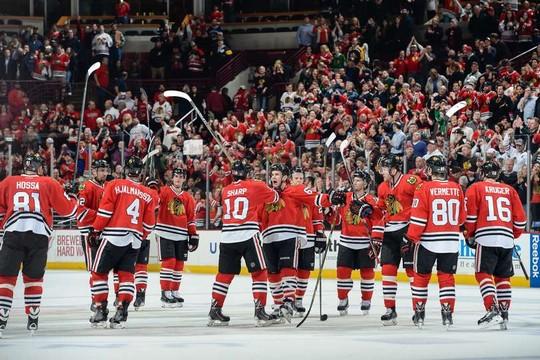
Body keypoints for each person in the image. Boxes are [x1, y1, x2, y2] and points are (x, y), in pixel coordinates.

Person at [0, 154, 77, 336]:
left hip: (13, 234)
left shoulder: (9, 181)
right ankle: (33, 317)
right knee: (33, 278)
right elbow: (68, 211)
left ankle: (2, 316)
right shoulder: (48, 182)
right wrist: (72, 196)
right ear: (40, 168)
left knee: (6, 278)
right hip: (39, 236)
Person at [261, 164, 344, 322]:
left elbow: (315, 198)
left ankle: (289, 301)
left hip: (289, 234)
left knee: (288, 268)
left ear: (285, 177)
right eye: (272, 174)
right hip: (268, 236)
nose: (273, 177)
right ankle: (279, 306)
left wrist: (330, 198)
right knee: (272, 273)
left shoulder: (294, 190)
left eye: (277, 174)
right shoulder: (268, 193)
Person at [208, 161, 280, 327]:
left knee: (224, 275)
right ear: (248, 173)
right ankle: (260, 311)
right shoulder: (255, 185)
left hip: (227, 236)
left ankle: (214, 310)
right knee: (259, 273)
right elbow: (275, 197)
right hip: (248, 234)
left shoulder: (225, 190)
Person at [90, 156, 158, 329]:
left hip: (113, 236)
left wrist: (96, 230)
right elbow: (149, 223)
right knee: (126, 275)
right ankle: (122, 310)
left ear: (127, 171)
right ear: (140, 173)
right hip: (134, 240)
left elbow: (105, 212)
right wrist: (140, 235)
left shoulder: (114, 185)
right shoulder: (148, 193)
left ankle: (100, 310)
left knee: (98, 273)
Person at [464, 161, 527, 329]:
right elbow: (521, 220)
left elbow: (470, 217)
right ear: (498, 175)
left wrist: (470, 234)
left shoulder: (476, 188)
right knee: (502, 277)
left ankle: (492, 310)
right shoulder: (510, 190)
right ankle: (504, 313)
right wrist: (512, 235)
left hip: (486, 236)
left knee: (483, 274)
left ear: (483, 174)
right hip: (506, 239)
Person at [405, 156, 466, 328]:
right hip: (451, 241)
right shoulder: (457, 188)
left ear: (430, 170)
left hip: (428, 242)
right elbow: (462, 220)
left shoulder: (424, 187)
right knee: (446, 277)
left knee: (421, 276)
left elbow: (418, 219)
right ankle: (447, 315)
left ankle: (419, 313)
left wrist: (410, 237)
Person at [376, 154, 423, 325]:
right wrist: (365, 208)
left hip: (408, 230)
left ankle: (418, 308)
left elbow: (423, 203)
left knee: (411, 271)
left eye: (384, 168)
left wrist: (415, 231)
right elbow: (380, 209)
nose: (381, 171)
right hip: (389, 232)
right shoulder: (382, 187)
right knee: (387, 270)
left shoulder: (411, 181)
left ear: (394, 169)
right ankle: (390, 309)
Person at [335, 170, 384, 316]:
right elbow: (336, 219)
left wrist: (376, 240)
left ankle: (366, 300)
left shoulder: (372, 200)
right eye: (354, 180)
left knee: (367, 273)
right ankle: (343, 299)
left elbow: (379, 220)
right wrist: (332, 207)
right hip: (346, 241)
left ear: (366, 183)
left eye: (358, 180)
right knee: (342, 271)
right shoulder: (345, 197)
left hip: (365, 242)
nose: (355, 182)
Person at [155, 168, 198, 308]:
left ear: (184, 179)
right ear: (172, 178)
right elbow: (154, 202)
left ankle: (174, 290)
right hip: (165, 232)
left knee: (179, 263)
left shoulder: (188, 197)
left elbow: (191, 218)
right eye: (176, 176)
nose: (178, 179)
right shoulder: (164, 191)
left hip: (181, 234)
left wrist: (193, 234)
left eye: (181, 176)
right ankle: (165, 292)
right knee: (169, 262)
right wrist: (152, 188)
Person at [289, 167, 325, 316]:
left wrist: (320, 233)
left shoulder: (309, 195)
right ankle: (287, 300)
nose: (298, 181)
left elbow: (317, 216)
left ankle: (298, 299)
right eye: (295, 178)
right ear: (290, 180)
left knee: (304, 270)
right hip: (290, 236)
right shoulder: (287, 193)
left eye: (300, 178)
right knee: (290, 269)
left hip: (308, 236)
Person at [76, 159, 109, 312]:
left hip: (103, 232)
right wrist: (101, 216)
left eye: (105, 170)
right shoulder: (87, 187)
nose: (104, 173)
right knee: (95, 270)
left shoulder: (108, 186)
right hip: (89, 232)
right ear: (94, 172)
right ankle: (95, 300)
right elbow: (80, 212)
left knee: (102, 268)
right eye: (101, 170)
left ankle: (99, 298)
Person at [133, 177, 160, 310]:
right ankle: (140, 295)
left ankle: (118, 295)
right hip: (144, 233)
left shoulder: (134, 191)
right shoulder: (152, 194)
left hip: (130, 233)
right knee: (141, 267)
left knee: (123, 268)